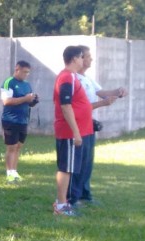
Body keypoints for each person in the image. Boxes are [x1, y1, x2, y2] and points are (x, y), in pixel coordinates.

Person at [67, 45, 128, 206]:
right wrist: (102, 104)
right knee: (77, 161)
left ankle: (85, 195)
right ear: (78, 58)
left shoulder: (87, 78)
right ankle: (72, 197)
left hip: (88, 124)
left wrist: (118, 91)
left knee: (87, 161)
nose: (90, 59)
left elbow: (101, 92)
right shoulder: (72, 79)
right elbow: (76, 107)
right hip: (77, 124)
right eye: (86, 56)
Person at [52, 46, 93, 216]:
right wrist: (76, 132)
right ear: (75, 58)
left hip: (75, 131)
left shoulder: (73, 77)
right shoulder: (67, 77)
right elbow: (65, 105)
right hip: (69, 132)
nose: (84, 60)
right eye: (82, 57)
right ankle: (61, 205)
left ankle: (63, 203)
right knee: (66, 168)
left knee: (70, 168)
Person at [0, 60, 39, 183]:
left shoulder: (27, 85)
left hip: (23, 120)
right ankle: (9, 173)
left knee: (18, 147)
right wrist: (25, 98)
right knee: (11, 147)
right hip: (10, 119)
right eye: (24, 72)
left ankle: (14, 171)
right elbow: (6, 101)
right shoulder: (9, 82)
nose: (26, 75)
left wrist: (32, 101)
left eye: (28, 73)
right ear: (17, 69)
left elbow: (28, 102)